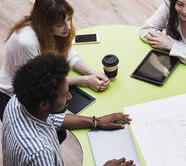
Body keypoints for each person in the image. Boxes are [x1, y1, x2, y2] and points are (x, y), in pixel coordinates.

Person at [1, 54, 135, 166]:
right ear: (44, 104)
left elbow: (52, 119)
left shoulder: (18, 101)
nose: (70, 97)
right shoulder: (40, 155)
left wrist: (96, 121)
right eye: (65, 94)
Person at [0, 0, 110, 120]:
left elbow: (68, 54)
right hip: (12, 96)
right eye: (60, 24)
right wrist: (86, 80)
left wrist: (92, 73)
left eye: (69, 19)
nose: (68, 27)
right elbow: (45, 83)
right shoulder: (26, 42)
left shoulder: (53, 30)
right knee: (59, 130)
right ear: (45, 24)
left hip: (38, 88)